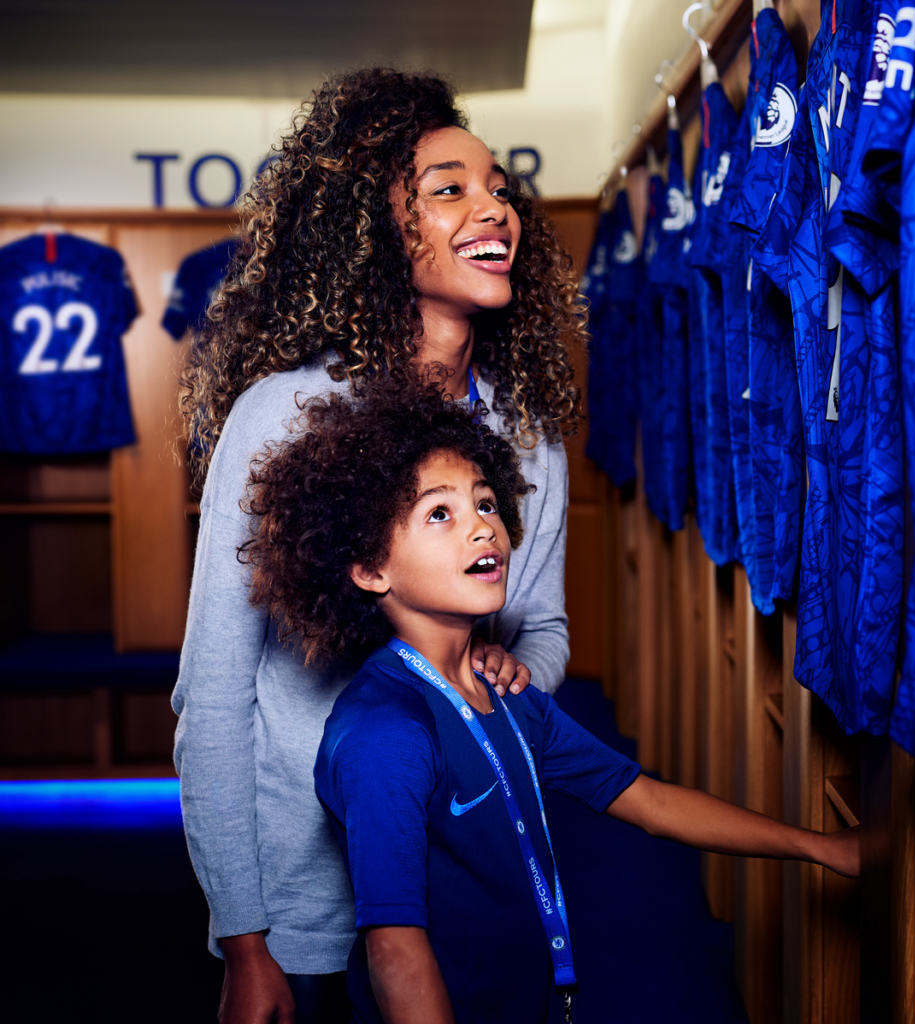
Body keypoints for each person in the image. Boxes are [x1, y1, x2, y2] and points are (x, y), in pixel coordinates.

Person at [241, 382, 861, 1024]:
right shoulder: (387, 734)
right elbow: (395, 951)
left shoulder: (504, 692)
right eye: (440, 514)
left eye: (486, 502)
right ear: (371, 570)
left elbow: (649, 801)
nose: (484, 525)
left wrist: (818, 846)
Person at [172, 67, 586, 1024]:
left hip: (474, 886)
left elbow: (547, 628)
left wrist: (513, 670)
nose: (494, 208)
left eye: (498, 188)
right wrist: (243, 937)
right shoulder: (280, 418)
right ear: (373, 228)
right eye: (449, 189)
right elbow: (216, 690)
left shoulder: (527, 429)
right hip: (309, 919)